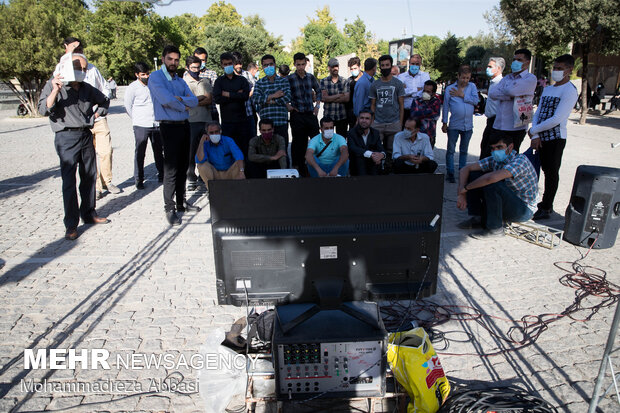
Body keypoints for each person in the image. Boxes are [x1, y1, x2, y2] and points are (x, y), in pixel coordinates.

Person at [38, 53, 110, 240]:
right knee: (69, 182)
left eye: (85, 69)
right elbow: (42, 109)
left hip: (86, 135)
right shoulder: (54, 84)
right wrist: (54, 90)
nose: (84, 72)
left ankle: (89, 213)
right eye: (80, 68)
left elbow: (104, 100)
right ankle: (71, 224)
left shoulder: (87, 88)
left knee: (89, 176)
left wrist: (96, 115)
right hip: (65, 137)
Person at [57, 40, 120, 200]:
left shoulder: (92, 68)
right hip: (77, 124)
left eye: (80, 48)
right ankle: (97, 187)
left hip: (97, 119)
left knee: (106, 151)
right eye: (74, 48)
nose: (79, 51)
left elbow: (104, 87)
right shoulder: (62, 68)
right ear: (67, 49)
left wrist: (98, 110)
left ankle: (107, 181)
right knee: (88, 160)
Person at [148, 45, 199, 226]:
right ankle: (169, 208)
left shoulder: (179, 79)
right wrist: (181, 102)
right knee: (171, 169)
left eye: (176, 60)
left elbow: (194, 100)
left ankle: (181, 202)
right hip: (168, 127)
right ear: (163, 59)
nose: (173, 62)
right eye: (170, 59)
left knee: (184, 165)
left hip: (184, 125)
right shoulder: (155, 77)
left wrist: (181, 100)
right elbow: (166, 100)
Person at [457, 134, 538, 239]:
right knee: (474, 175)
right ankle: (478, 217)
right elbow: (465, 169)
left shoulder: (520, 161)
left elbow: (491, 179)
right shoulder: (495, 160)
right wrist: (461, 193)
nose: (495, 151)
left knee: (493, 184)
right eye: (492, 148)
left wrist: (466, 188)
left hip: (524, 209)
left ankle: (495, 229)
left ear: (511, 147)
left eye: (499, 147)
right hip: (509, 202)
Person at [528, 54, 579, 220]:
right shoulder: (549, 89)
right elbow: (539, 111)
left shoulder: (570, 90)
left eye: (560, 68)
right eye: (555, 68)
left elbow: (557, 118)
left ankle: (546, 206)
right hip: (539, 137)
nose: (555, 71)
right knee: (536, 169)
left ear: (569, 70)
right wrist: (534, 132)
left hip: (555, 138)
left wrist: (535, 130)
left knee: (551, 173)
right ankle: (531, 201)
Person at [123, 62, 164, 189]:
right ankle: (139, 179)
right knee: (140, 152)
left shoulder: (154, 85)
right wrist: (136, 119)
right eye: (143, 74)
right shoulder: (132, 87)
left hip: (156, 123)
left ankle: (162, 174)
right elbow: (128, 106)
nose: (146, 76)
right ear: (137, 75)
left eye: (148, 74)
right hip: (141, 124)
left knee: (159, 151)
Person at [488, 48, 537, 154]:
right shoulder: (507, 78)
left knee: (510, 158)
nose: (515, 62)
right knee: (494, 155)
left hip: (515, 127)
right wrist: (509, 96)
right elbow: (493, 93)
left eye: (519, 60)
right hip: (499, 125)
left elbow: (512, 91)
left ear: (527, 62)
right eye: (514, 59)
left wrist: (509, 92)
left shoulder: (530, 79)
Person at [441, 65, 479, 183]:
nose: (465, 80)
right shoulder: (450, 89)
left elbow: (476, 101)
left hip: (468, 125)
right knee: (451, 150)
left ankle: (463, 171)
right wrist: (444, 122)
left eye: (468, 78)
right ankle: (450, 172)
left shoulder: (472, 87)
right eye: (463, 78)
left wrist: (462, 95)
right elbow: (446, 106)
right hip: (454, 125)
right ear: (458, 76)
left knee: (464, 150)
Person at [287, 52, 322, 177]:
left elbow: (319, 91)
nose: (301, 67)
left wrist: (317, 106)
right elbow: (284, 94)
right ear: (295, 64)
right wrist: (288, 106)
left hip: (310, 113)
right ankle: (299, 167)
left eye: (303, 64)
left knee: (316, 140)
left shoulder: (311, 77)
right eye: (298, 65)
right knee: (299, 143)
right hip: (297, 114)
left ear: (306, 64)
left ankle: (316, 164)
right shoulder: (290, 79)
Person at [213, 52, 252, 159]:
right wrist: (236, 94)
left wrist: (227, 94)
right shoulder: (219, 81)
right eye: (225, 64)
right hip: (227, 122)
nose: (227, 66)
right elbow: (217, 99)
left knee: (243, 148)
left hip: (242, 121)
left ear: (234, 63)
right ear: (221, 65)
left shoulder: (242, 79)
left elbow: (245, 96)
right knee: (228, 150)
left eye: (230, 63)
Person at [369, 54, 405, 171]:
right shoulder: (375, 84)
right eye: (382, 65)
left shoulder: (398, 84)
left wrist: (400, 123)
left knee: (391, 151)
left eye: (387, 65)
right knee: (377, 149)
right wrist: (373, 122)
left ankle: (389, 170)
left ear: (391, 66)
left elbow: (401, 105)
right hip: (378, 122)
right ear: (380, 67)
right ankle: (378, 170)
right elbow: (372, 105)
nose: (385, 67)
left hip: (394, 122)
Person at [183, 56, 212, 191]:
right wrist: (199, 99)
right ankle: (191, 177)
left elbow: (209, 99)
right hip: (190, 120)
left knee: (206, 148)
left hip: (206, 119)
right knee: (191, 150)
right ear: (187, 67)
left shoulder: (205, 81)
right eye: (193, 67)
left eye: (198, 67)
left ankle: (203, 176)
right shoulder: (183, 83)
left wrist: (193, 101)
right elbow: (184, 102)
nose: (196, 70)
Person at [252, 54, 291, 155]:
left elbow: (287, 97)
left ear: (275, 65)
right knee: (266, 154)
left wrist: (268, 100)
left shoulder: (283, 81)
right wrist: (274, 95)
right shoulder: (259, 83)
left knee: (282, 152)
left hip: (281, 123)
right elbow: (256, 99)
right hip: (266, 127)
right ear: (262, 67)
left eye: (270, 64)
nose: (268, 67)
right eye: (265, 65)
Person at [195, 122, 245, 188]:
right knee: (202, 166)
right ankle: (212, 190)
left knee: (240, 163)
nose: (214, 134)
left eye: (216, 132)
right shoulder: (205, 143)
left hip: (229, 172)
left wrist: (241, 172)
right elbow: (199, 160)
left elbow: (239, 156)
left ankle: (236, 189)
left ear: (220, 131)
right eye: (211, 133)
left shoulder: (228, 140)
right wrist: (201, 142)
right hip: (215, 174)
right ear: (207, 134)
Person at [480, 57, 505, 159]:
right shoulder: (492, 82)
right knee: (484, 146)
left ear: (498, 68)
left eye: (490, 66)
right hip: (490, 120)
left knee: (489, 150)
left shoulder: (502, 83)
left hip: (497, 121)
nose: (487, 68)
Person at [347, 109, 386, 176]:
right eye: (362, 118)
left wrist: (381, 155)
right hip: (357, 165)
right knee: (360, 159)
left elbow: (380, 147)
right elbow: (352, 148)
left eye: (367, 118)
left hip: (372, 165)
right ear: (358, 119)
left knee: (378, 161)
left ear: (372, 121)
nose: (364, 121)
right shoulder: (351, 132)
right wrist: (371, 154)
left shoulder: (375, 133)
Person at [320, 58, 350, 136]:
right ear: (329, 68)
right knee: (328, 139)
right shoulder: (323, 81)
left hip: (342, 116)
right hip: (328, 117)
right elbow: (324, 98)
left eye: (336, 66)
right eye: (333, 66)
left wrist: (329, 98)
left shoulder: (345, 81)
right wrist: (339, 95)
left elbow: (346, 99)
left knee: (341, 141)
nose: (335, 68)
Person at [398, 54, 430, 122]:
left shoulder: (425, 76)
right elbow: (400, 92)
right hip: (405, 111)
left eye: (417, 64)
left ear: (420, 64)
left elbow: (426, 93)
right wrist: (417, 89)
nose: (414, 66)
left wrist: (408, 93)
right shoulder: (401, 76)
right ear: (409, 63)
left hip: (420, 110)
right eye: (412, 63)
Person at [410, 80, 441, 148]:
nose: (425, 93)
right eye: (424, 91)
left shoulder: (436, 101)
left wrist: (420, 113)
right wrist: (429, 111)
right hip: (417, 134)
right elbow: (413, 115)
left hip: (430, 135)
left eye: (428, 92)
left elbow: (436, 116)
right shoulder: (416, 100)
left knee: (427, 156)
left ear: (433, 93)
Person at [193, 47, 219, 123]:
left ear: (206, 60)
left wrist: (193, 102)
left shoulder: (212, 74)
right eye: (198, 60)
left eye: (202, 60)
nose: (200, 62)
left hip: (211, 112)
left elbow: (212, 96)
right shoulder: (187, 75)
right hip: (193, 115)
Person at [345, 56, 363, 129]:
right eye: (351, 69)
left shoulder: (367, 79)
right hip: (351, 113)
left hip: (364, 112)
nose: (353, 71)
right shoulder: (349, 81)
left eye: (355, 68)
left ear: (359, 67)